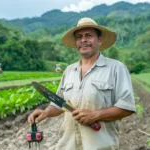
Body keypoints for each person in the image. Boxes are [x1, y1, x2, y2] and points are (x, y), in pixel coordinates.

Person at [28, 17, 136, 150]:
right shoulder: (69, 71)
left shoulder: (116, 68)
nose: (83, 40)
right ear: (76, 43)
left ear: (100, 40)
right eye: (79, 37)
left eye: (88, 36)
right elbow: (61, 104)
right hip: (67, 146)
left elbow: (127, 106)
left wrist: (95, 115)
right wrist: (46, 112)